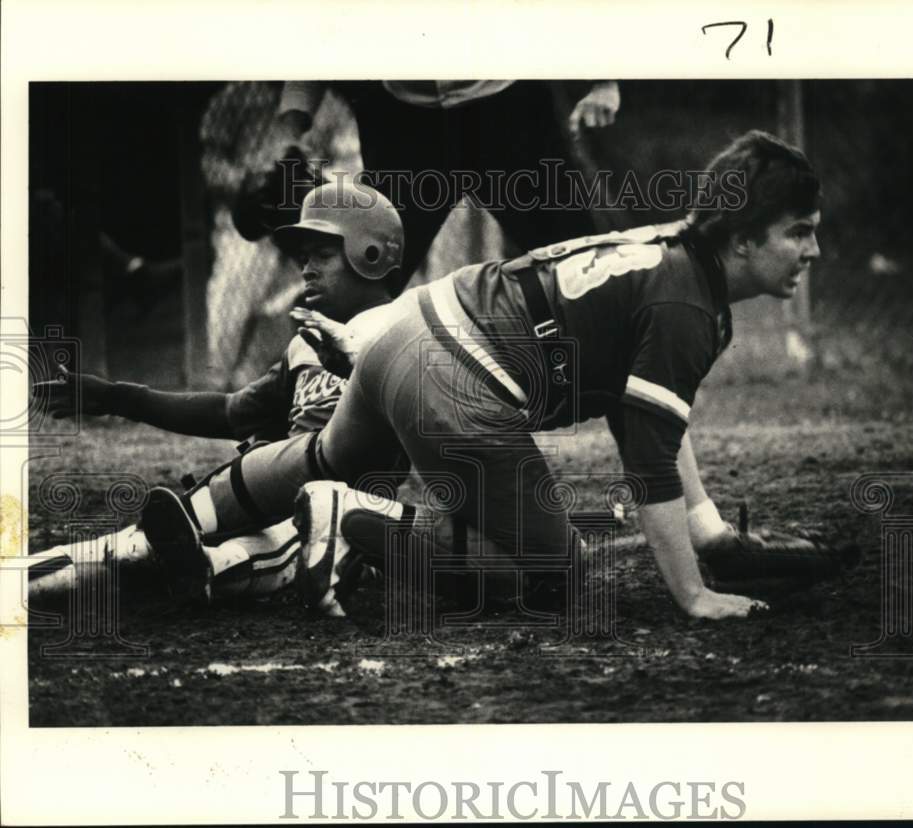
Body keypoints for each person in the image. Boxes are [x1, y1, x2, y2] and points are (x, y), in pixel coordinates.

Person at [141, 129, 823, 622]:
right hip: (456, 378)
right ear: (742, 239)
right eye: (798, 232)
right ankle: (349, 515)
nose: (813, 250)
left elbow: (643, 412)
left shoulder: (671, 250)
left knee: (323, 452)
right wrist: (694, 594)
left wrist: (709, 534)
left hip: (415, 326)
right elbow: (650, 463)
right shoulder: (689, 305)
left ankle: (187, 520)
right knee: (557, 572)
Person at [30, 181, 404, 603]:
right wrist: (118, 397)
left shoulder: (405, 332)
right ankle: (24, 581)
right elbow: (230, 412)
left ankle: (205, 567)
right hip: (273, 492)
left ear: (370, 255)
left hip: (347, 521)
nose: (306, 270)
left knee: (286, 539)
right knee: (138, 546)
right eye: (302, 258)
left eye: (322, 255)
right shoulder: (305, 344)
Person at [273, 81, 622, 289]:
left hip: (503, 108)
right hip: (406, 120)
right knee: (362, 279)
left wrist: (604, 83)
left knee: (582, 266)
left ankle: (638, 399)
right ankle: (328, 404)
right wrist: (290, 131)